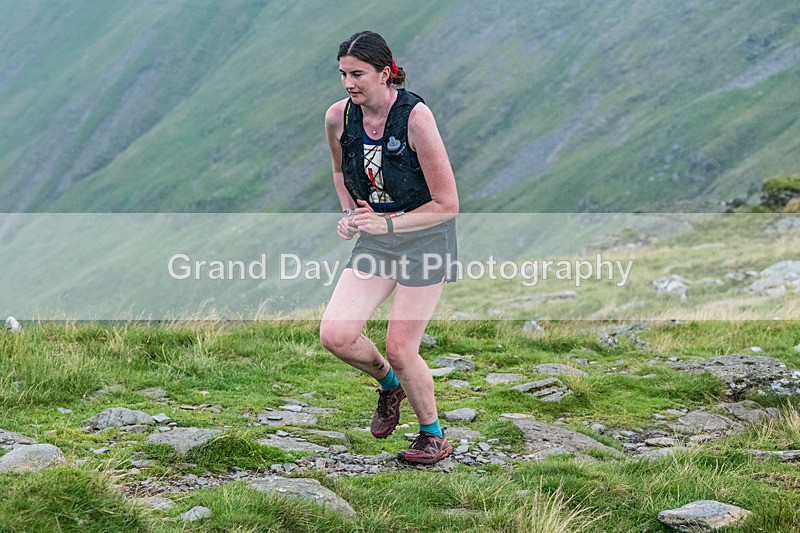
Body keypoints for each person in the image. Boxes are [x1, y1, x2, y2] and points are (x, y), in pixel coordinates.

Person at [319, 31, 459, 465]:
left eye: (357, 74)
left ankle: (432, 435)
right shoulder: (338, 118)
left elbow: (448, 205)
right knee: (337, 335)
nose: (348, 83)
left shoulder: (416, 118)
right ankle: (388, 384)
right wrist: (350, 215)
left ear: (385, 72)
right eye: (343, 74)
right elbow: (342, 170)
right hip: (377, 240)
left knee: (401, 346)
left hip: (425, 239)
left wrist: (388, 223)